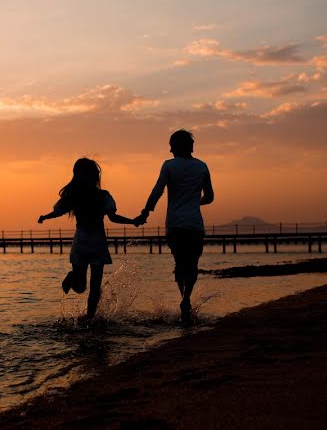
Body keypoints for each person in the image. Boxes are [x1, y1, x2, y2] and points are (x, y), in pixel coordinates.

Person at [38, 158, 143, 322]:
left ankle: (80, 294)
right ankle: (89, 317)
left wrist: (45, 217)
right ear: (95, 176)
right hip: (96, 243)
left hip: (83, 243)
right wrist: (133, 221)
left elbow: (59, 211)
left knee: (81, 287)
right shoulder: (101, 196)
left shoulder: (75, 195)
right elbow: (113, 217)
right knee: (93, 287)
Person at [137, 130, 214, 324]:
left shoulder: (169, 166)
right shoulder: (202, 166)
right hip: (195, 225)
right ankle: (187, 298)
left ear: (176, 146)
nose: (170, 149)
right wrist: (196, 202)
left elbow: (157, 191)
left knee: (180, 264)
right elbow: (210, 196)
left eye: (171, 145)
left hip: (175, 225)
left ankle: (184, 300)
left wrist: (146, 211)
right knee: (193, 264)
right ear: (191, 146)